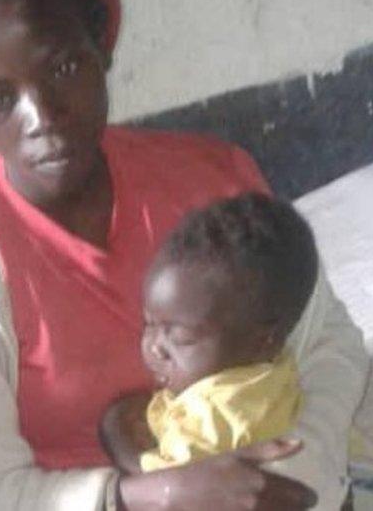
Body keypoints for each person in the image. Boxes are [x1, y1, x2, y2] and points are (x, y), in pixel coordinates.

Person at [0, 0, 369, 510]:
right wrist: (153, 495)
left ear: (101, 51)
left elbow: (330, 345)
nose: (43, 116)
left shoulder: (214, 183)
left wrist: (293, 469)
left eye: (65, 66)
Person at [99, 193, 317, 475]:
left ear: (262, 340)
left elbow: (165, 488)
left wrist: (116, 435)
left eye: (179, 338)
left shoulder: (217, 418)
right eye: (148, 324)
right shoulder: (264, 373)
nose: (154, 347)